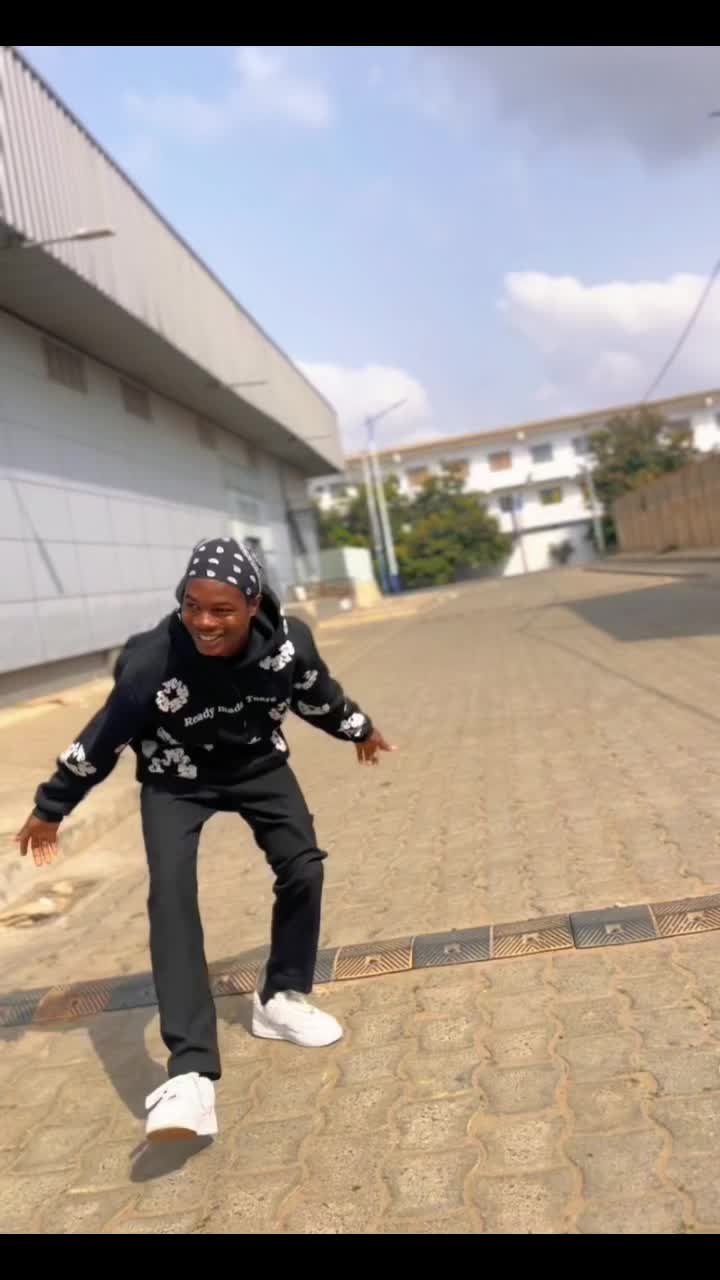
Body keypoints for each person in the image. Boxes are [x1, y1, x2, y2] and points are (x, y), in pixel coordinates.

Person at [16, 537, 394, 1142]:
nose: (204, 622)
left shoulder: (289, 643)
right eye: (192, 606)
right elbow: (103, 737)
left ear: (252, 605)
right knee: (170, 897)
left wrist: (360, 729)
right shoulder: (152, 661)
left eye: (221, 611)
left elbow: (316, 693)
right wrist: (51, 806)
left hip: (257, 766)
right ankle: (190, 1073)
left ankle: (282, 998)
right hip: (175, 779)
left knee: (304, 866)